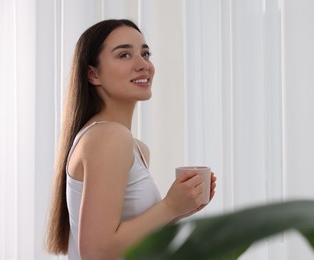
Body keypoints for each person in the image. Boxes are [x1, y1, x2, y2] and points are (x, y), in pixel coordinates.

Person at [45, 19, 217, 260]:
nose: (143, 64)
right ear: (93, 74)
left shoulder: (134, 146)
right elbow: (97, 253)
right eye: (125, 55)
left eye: (145, 53)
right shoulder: (109, 137)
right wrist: (170, 206)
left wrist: (180, 208)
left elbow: (125, 241)